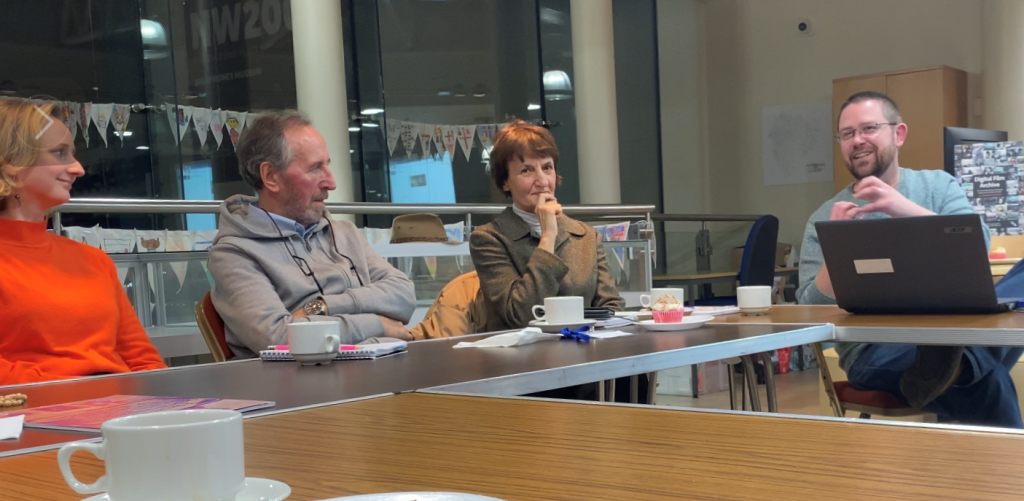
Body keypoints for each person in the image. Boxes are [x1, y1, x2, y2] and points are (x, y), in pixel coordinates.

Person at [797, 91, 1023, 428]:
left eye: (869, 128)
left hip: (958, 330)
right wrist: (837, 247)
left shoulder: (938, 185)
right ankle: (959, 365)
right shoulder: (826, 217)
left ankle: (955, 362)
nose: (857, 140)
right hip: (875, 349)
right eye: (847, 133)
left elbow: (977, 246)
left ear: (898, 134)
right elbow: (808, 309)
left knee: (970, 355)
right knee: (986, 379)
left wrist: (900, 207)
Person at [208, 110, 416, 358]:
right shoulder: (234, 253)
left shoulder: (343, 232)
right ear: (271, 176)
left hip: (378, 369)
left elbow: (403, 295)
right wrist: (379, 324)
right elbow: (279, 337)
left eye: (327, 165)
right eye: (315, 168)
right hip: (302, 388)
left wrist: (321, 307)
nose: (331, 182)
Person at [0, 98, 166, 385]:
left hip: (117, 412)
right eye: (59, 153)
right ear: (12, 163)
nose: (78, 169)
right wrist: (84, 394)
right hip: (36, 416)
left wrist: (164, 410)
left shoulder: (94, 259)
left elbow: (144, 360)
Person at [470, 120, 636, 401]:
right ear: (504, 182)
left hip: (585, 361)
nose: (542, 180)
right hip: (524, 370)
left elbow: (611, 307)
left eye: (547, 167)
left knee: (631, 376)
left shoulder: (585, 235)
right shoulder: (489, 238)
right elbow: (519, 314)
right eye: (526, 170)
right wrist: (548, 237)